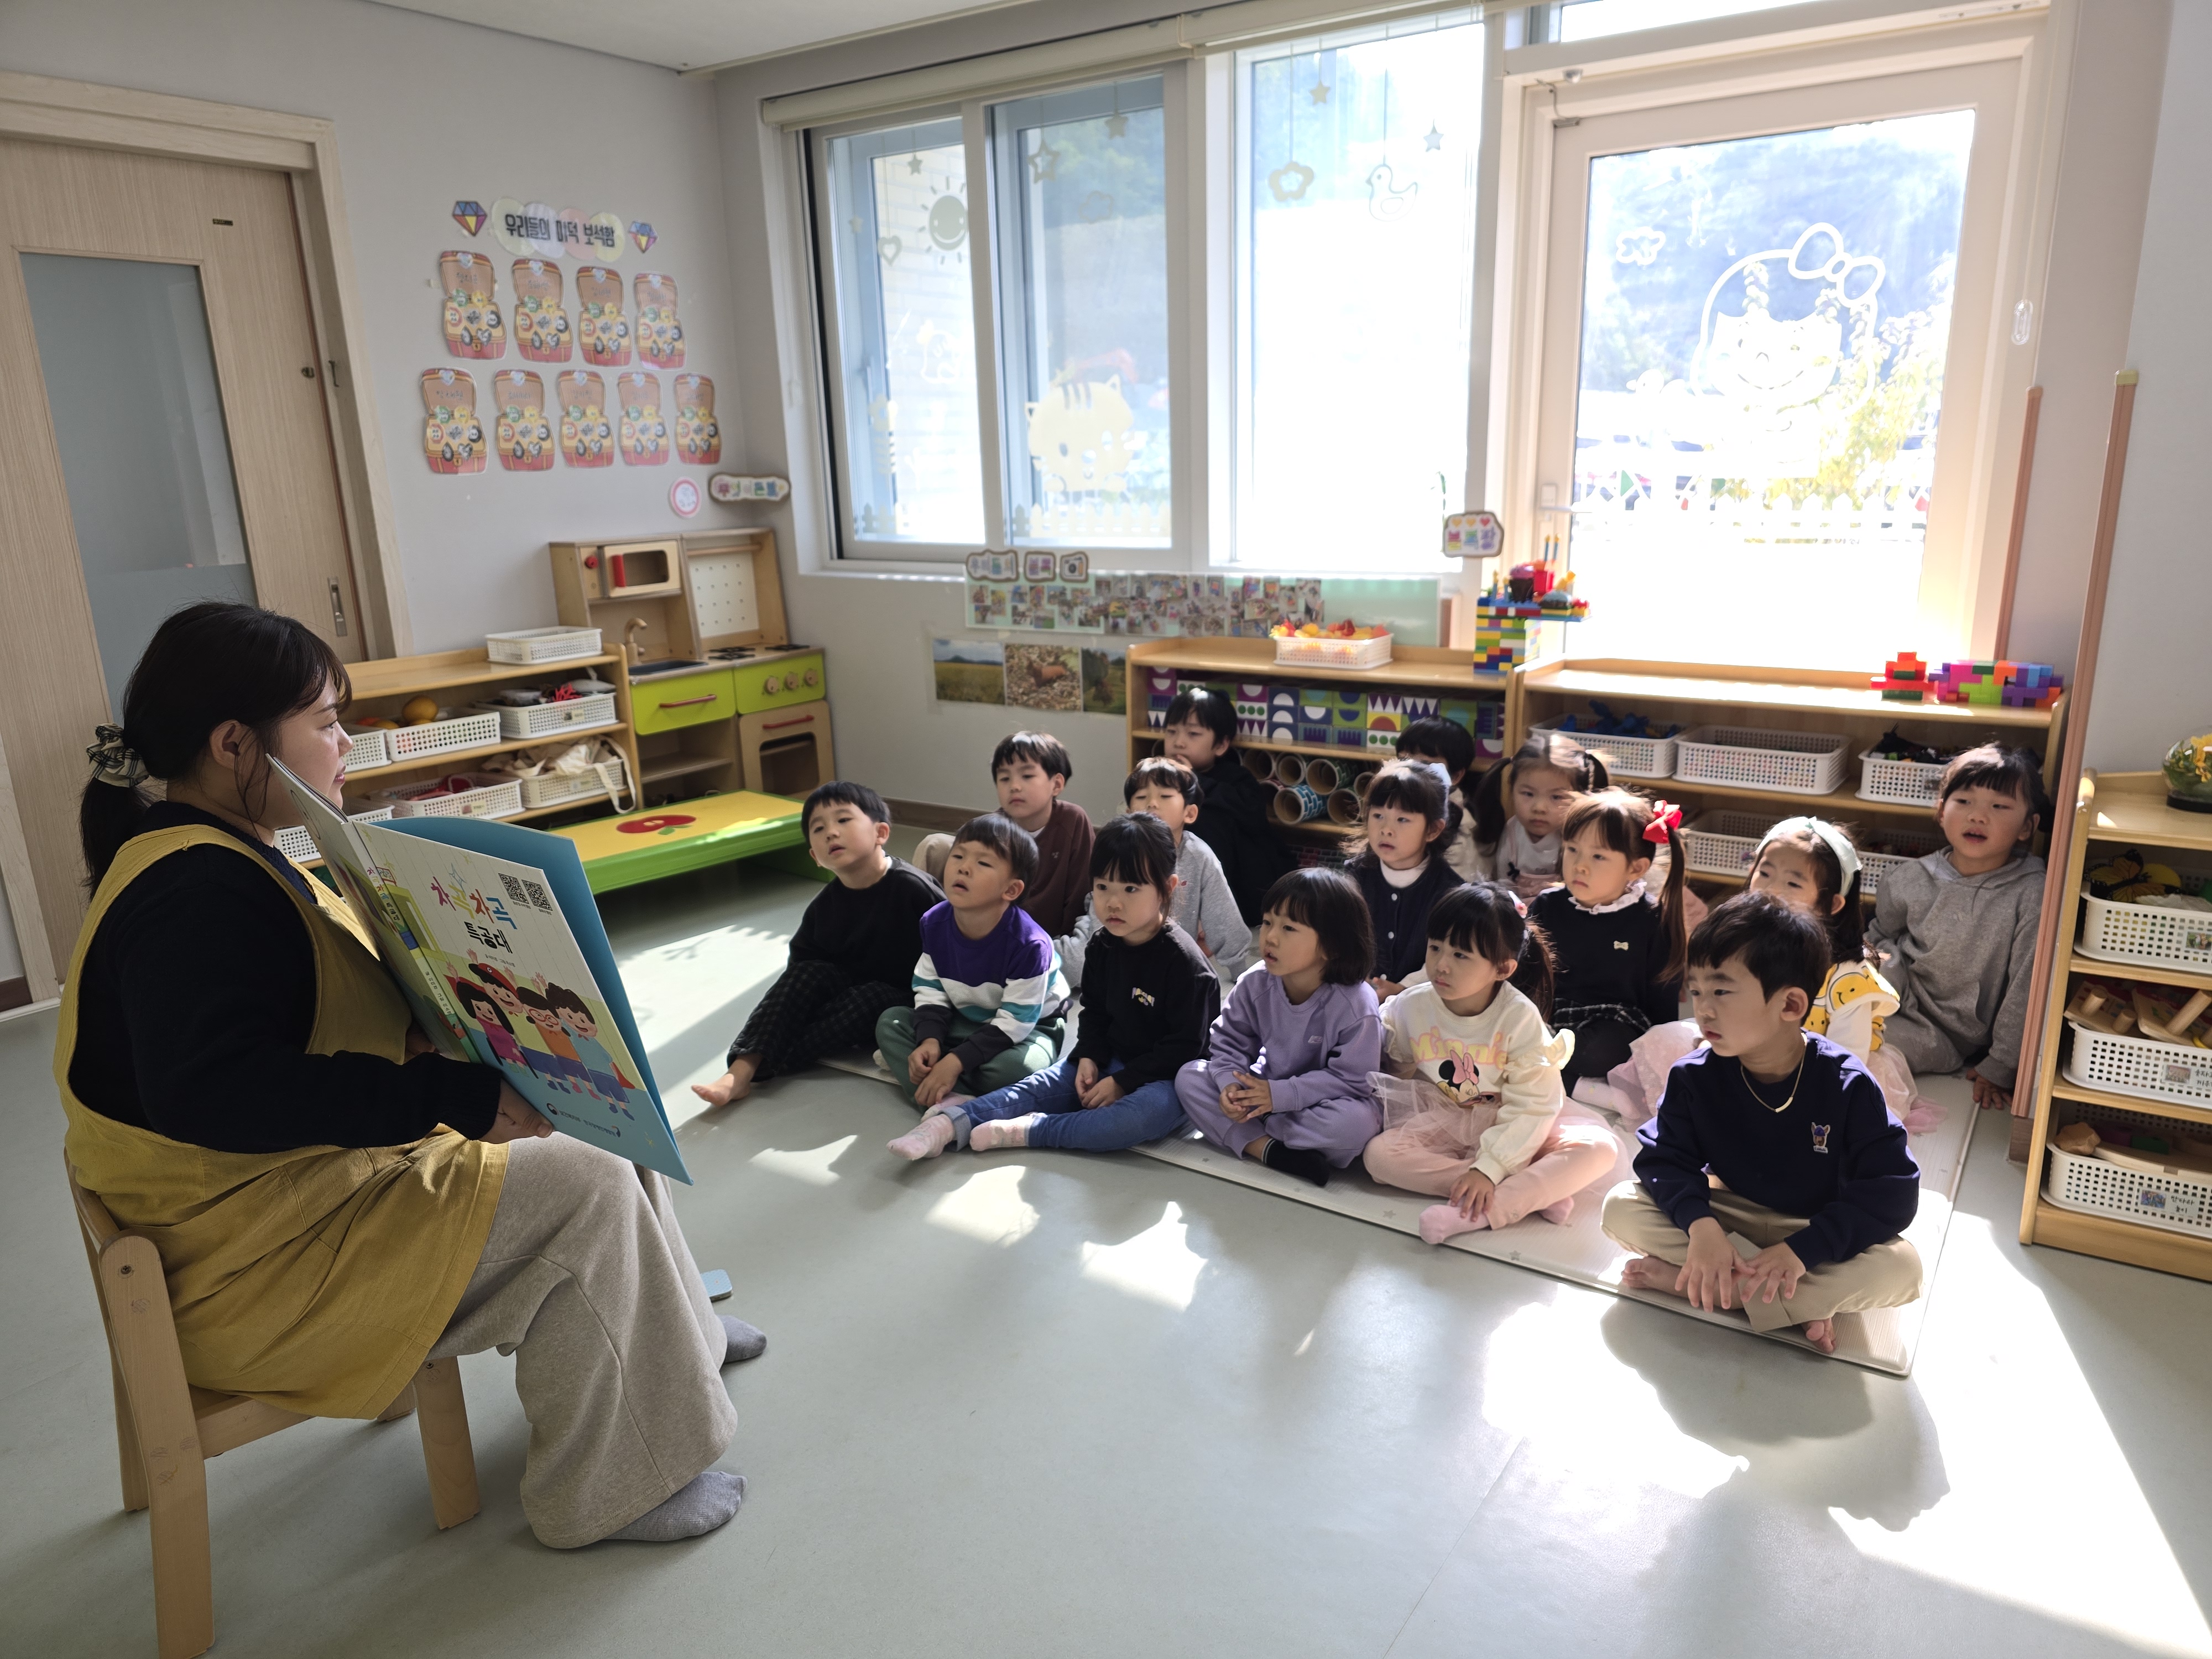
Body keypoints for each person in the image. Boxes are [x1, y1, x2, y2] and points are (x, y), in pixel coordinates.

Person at [59, 601, 759, 1550]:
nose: (346, 744)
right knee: (584, 1186)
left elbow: (273, 1033)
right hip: (258, 1270)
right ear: (234, 745)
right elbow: (214, 1092)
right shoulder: (195, 892)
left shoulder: (213, 852)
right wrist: (448, 1096)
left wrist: (421, 1044)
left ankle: (682, 1348)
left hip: (276, 1208)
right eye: (326, 722)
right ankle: (613, 1490)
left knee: (593, 1116)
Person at [1600, 893, 1923, 1355]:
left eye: (1722, 992)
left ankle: (1725, 1291)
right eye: (1696, 991)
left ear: (1790, 1005)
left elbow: (1893, 1192)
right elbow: (1664, 1161)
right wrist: (1702, 1228)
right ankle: (1791, 1301)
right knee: (1619, 1207)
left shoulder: (1847, 1083)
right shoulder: (1693, 1075)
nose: (1703, 1009)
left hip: (1812, 1227)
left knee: (1902, 1269)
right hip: (1730, 1216)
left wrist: (1805, 1250)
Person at [887, 815, 1218, 1159]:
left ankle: (1033, 1131)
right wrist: (1089, 1055)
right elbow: (1095, 1012)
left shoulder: (1187, 967)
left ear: (1167, 887)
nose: (1113, 903)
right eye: (1103, 887)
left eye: (1131, 889)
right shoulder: (1102, 945)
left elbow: (1184, 1048)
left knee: (1137, 1118)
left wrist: (1124, 1082)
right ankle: (949, 1123)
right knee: (1034, 1088)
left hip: (1166, 1078)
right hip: (1110, 1058)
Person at [1590, 818, 1931, 1131]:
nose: (1771, 890)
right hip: (1741, 1047)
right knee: (1670, 1042)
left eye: (1793, 882)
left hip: (1811, 1073)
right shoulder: (1741, 943)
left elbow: (1846, 1056)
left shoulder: (1848, 977)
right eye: (1764, 873)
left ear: (1831, 905)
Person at [1363, 884, 1620, 1242]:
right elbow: (1398, 1070)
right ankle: (1529, 1192)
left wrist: (1491, 1167)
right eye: (1435, 947)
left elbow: (1533, 1106)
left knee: (1600, 1148)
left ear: (1502, 969)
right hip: (1449, 1113)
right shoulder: (1411, 1005)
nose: (1441, 965)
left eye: (1461, 955)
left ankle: (1478, 1212)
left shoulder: (1519, 1018)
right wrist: (1482, 1169)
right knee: (1380, 1157)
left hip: (1518, 1117)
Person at [695, 781, 941, 1107]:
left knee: (870, 998)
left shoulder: (913, 889)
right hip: (846, 994)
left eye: (843, 820)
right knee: (807, 975)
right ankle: (739, 1072)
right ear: (815, 856)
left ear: (881, 833)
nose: (831, 833)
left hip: (908, 999)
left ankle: (767, 1059)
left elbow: (954, 949)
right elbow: (800, 972)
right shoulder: (824, 905)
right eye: (819, 828)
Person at [1866, 744, 2048, 1113]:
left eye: (1999, 807)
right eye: (1964, 801)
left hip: (1944, 1033)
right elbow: (1880, 935)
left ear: (2027, 827)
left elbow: (2026, 987)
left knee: (1853, 1045)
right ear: (1941, 811)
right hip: (1894, 990)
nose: (1977, 816)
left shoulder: (2032, 893)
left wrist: (2001, 1065)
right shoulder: (1909, 877)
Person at [1175, 868, 1381, 1188]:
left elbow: (1353, 1081)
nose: (1270, 937)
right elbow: (1229, 1043)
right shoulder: (1255, 982)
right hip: (1264, 1089)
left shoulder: (1356, 1004)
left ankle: (1253, 1133)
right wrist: (1231, 1087)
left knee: (1357, 1125)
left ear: (1331, 946)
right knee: (1190, 1077)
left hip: (1321, 1101)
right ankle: (1268, 1150)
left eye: (1288, 928)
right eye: (1268, 922)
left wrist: (1280, 1097)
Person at [876, 813, 1068, 1125]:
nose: (964, 867)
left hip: (1030, 1028)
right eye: (959, 856)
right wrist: (929, 1040)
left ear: (1011, 890)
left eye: (983, 863)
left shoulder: (1029, 945)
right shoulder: (934, 923)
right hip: (967, 1018)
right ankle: (955, 1098)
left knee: (1015, 1069)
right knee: (890, 1022)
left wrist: (954, 1062)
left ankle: (945, 1098)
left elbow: (1016, 1022)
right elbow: (930, 987)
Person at [1523, 789, 1688, 1091]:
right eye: (1572, 849)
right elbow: (1528, 975)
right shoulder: (1548, 905)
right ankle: (1552, 1067)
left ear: (1635, 868)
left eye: (1598, 856)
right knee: (1519, 1030)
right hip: (1554, 1014)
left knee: (1599, 1051)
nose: (1580, 865)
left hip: (1617, 1023)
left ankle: (1557, 1073)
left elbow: (1662, 1000)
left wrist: (1659, 1053)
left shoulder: (1653, 919)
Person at [1058, 757, 1255, 987]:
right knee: (1081, 966)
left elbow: (1223, 914)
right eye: (1142, 797)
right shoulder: (1121, 847)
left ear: (1189, 813)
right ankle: (1036, 951)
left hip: (1162, 945)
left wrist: (1240, 970)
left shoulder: (1199, 856)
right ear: (1130, 813)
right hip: (1110, 924)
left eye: (1165, 796)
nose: (1152, 804)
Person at [916, 732, 1094, 939]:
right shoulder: (993, 831)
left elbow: (1082, 896)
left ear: (1056, 784)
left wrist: (1067, 943)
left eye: (1027, 776)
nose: (1014, 786)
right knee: (934, 845)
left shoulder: (1073, 821)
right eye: (1004, 778)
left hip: (1053, 941)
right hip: (1000, 937)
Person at [1156, 685, 1295, 924]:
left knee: (1210, 817)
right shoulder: (1158, 777)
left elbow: (1253, 816)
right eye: (1171, 732)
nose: (1178, 742)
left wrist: (1192, 779)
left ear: (1221, 745)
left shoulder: (1235, 778)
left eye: (1193, 734)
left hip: (1237, 885)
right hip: (1179, 878)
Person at [1345, 761, 1467, 997]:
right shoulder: (1355, 876)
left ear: (1433, 830)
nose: (1386, 829)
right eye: (1378, 815)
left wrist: (1404, 988)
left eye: (1402, 820)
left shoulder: (1450, 892)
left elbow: (1449, 955)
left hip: (1421, 998)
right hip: (1357, 992)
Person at [1464, 731, 1610, 901]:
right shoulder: (1511, 832)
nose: (1539, 808)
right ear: (1512, 789)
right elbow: (1503, 886)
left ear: (1581, 796)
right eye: (1528, 794)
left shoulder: (1584, 838)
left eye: (1556, 797)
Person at [1395, 716, 1483, 882]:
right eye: (1403, 761)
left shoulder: (1458, 827)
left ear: (1455, 776)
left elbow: (1455, 886)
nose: (1409, 772)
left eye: (1423, 765)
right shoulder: (1404, 801)